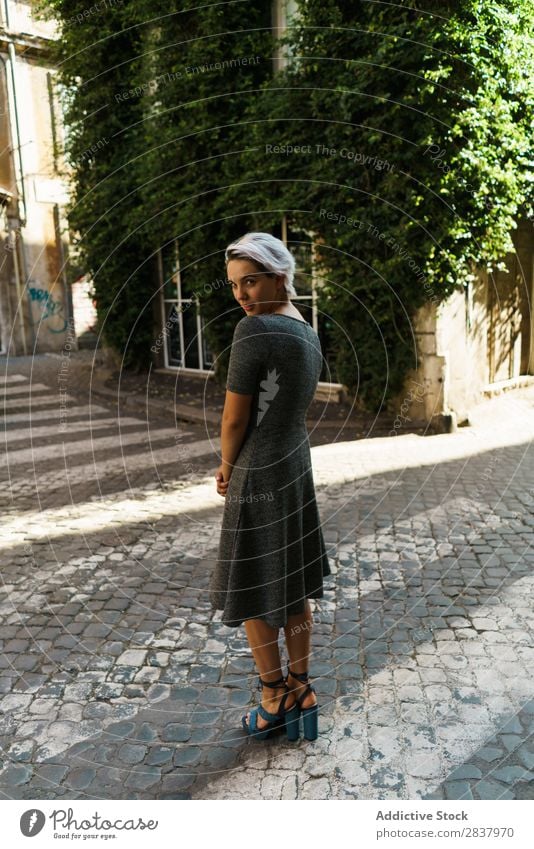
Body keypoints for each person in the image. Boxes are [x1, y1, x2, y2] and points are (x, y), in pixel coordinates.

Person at [210, 231, 331, 741]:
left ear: (280, 276)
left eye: (251, 282)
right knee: (294, 580)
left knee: (254, 582)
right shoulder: (305, 328)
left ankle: (272, 694)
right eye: (235, 285)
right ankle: (302, 687)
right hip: (295, 462)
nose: (241, 295)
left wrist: (225, 465)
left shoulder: (255, 332)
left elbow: (236, 419)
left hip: (258, 467)